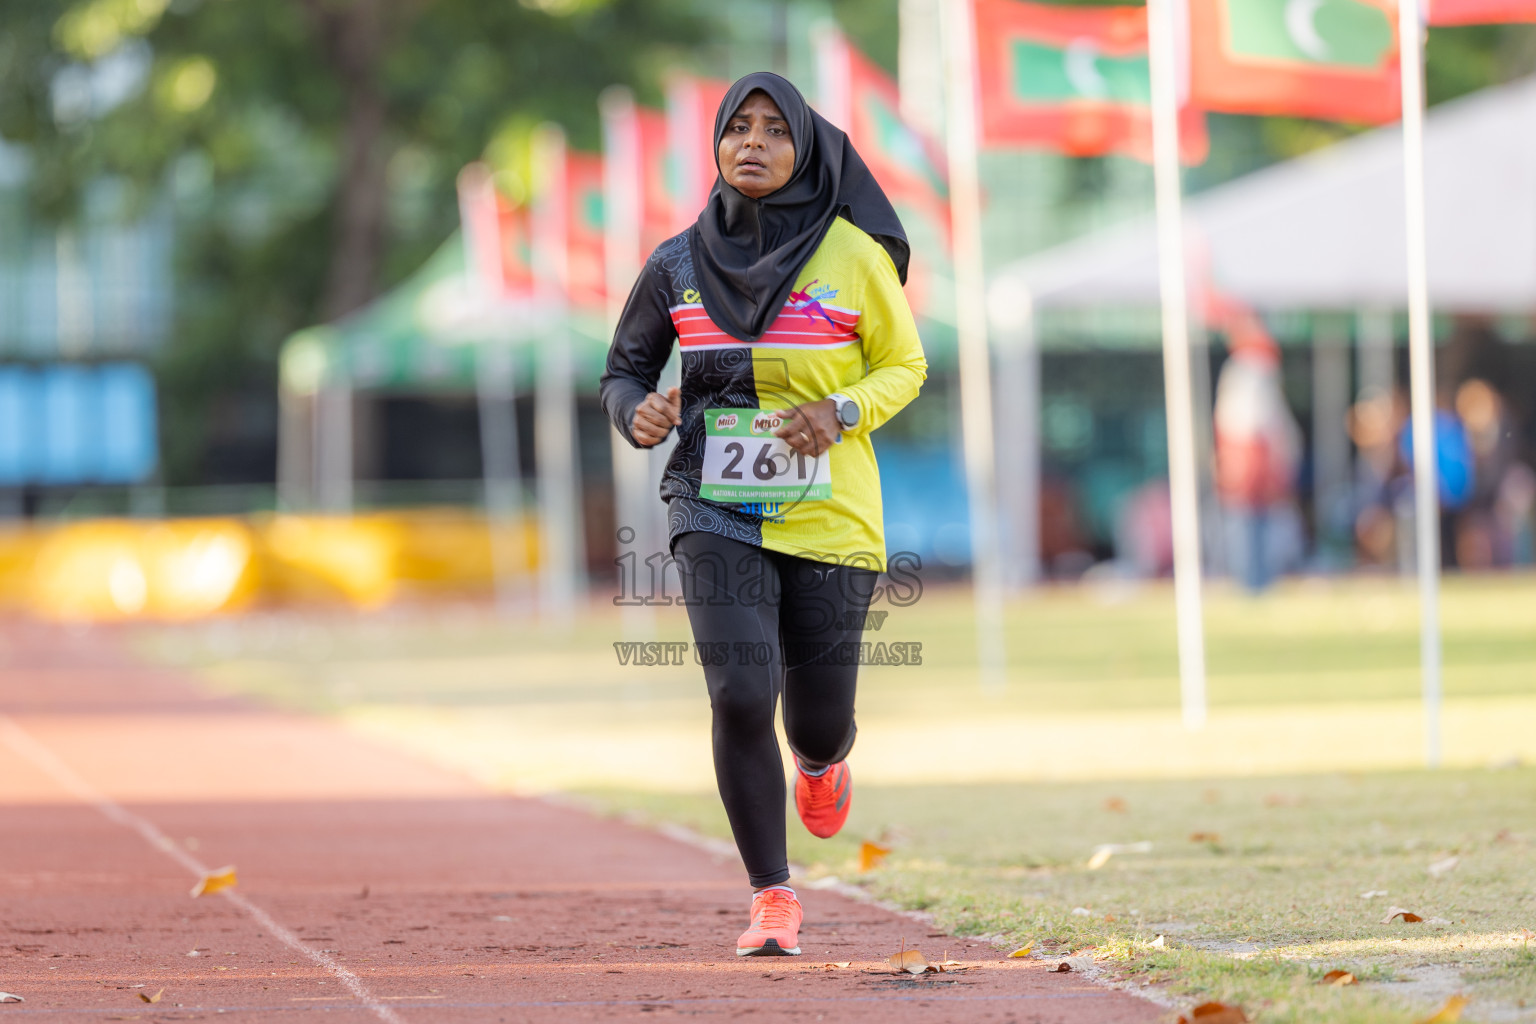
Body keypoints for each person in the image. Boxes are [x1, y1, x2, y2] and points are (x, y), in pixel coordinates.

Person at [599, 72, 926, 957]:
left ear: (807, 150)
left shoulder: (853, 256)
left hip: (832, 515)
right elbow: (624, 369)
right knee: (742, 690)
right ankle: (772, 896)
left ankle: (821, 767)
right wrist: (638, 412)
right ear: (714, 145)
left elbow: (906, 366)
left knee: (815, 721)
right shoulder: (674, 262)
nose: (752, 144)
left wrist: (840, 412)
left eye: (775, 131)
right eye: (737, 128)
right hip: (712, 499)